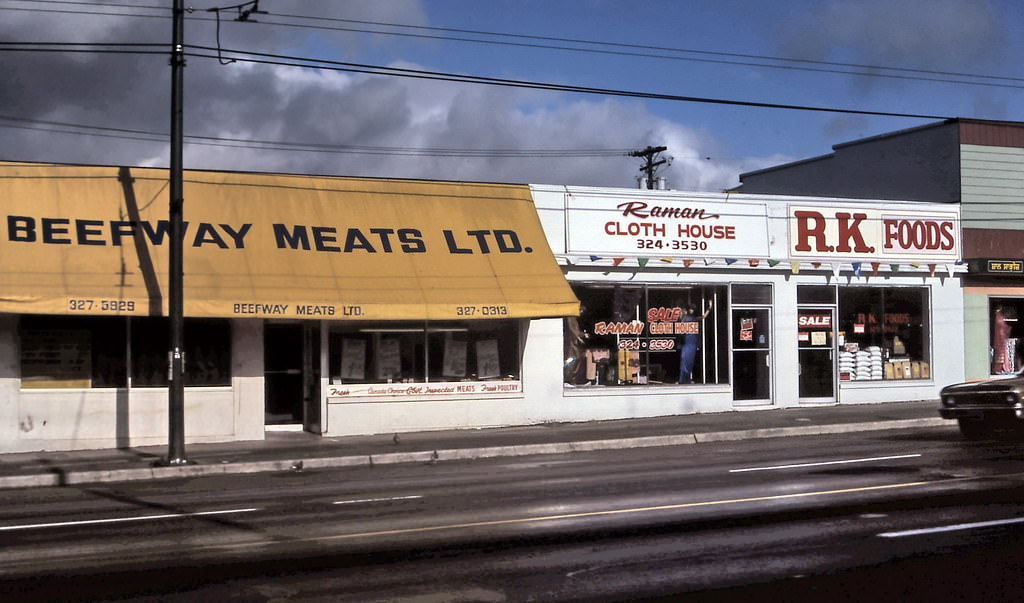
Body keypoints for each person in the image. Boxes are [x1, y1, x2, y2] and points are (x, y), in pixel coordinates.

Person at [678, 299, 713, 384]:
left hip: (692, 341)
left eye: (692, 309)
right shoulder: (684, 317)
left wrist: (709, 307)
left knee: (689, 361)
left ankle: (686, 379)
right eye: (690, 309)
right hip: (686, 341)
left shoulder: (693, 318)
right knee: (684, 360)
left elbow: (704, 316)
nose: (691, 310)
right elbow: (680, 317)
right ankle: (682, 379)